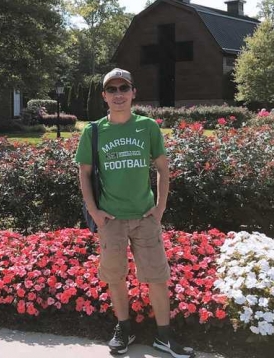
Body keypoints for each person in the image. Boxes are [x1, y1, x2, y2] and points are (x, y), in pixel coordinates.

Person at [75, 68, 195, 357]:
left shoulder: (148, 127)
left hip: (145, 218)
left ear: (133, 93)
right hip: (111, 219)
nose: (118, 94)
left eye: (123, 88)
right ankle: (124, 329)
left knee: (157, 276)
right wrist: (95, 211)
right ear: (104, 95)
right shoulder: (93, 131)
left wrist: (160, 207)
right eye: (112, 89)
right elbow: (84, 172)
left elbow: (163, 168)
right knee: (116, 276)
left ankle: (164, 337)